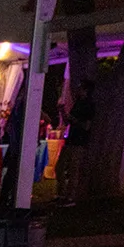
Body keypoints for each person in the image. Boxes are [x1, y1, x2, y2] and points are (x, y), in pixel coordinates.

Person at [54, 77, 95, 206]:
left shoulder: (89, 106)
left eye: (81, 88)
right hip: (70, 139)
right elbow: (67, 122)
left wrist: (75, 120)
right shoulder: (77, 103)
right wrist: (62, 111)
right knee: (59, 166)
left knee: (73, 169)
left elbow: (87, 126)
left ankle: (70, 197)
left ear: (86, 90)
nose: (78, 90)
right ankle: (61, 193)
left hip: (80, 141)